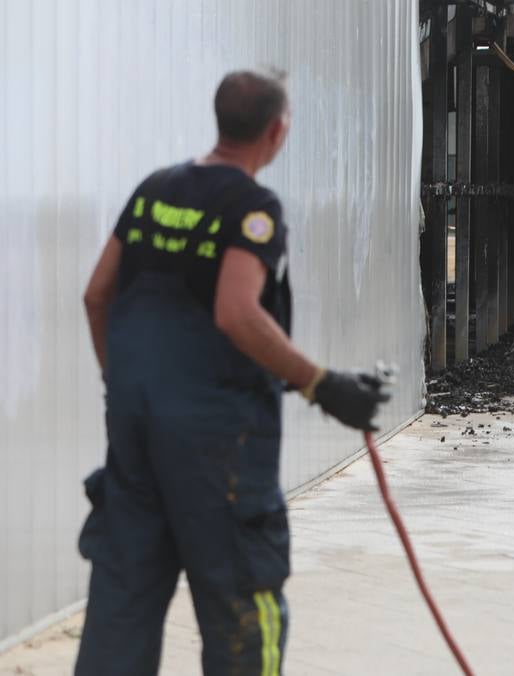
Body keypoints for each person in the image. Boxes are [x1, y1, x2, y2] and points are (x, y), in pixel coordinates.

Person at [76, 68, 389, 675]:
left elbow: (96, 295)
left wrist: (123, 385)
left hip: (136, 435)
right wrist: (323, 385)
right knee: (243, 606)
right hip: (216, 447)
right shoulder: (253, 207)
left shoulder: (153, 190)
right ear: (277, 131)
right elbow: (236, 312)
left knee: (122, 602)